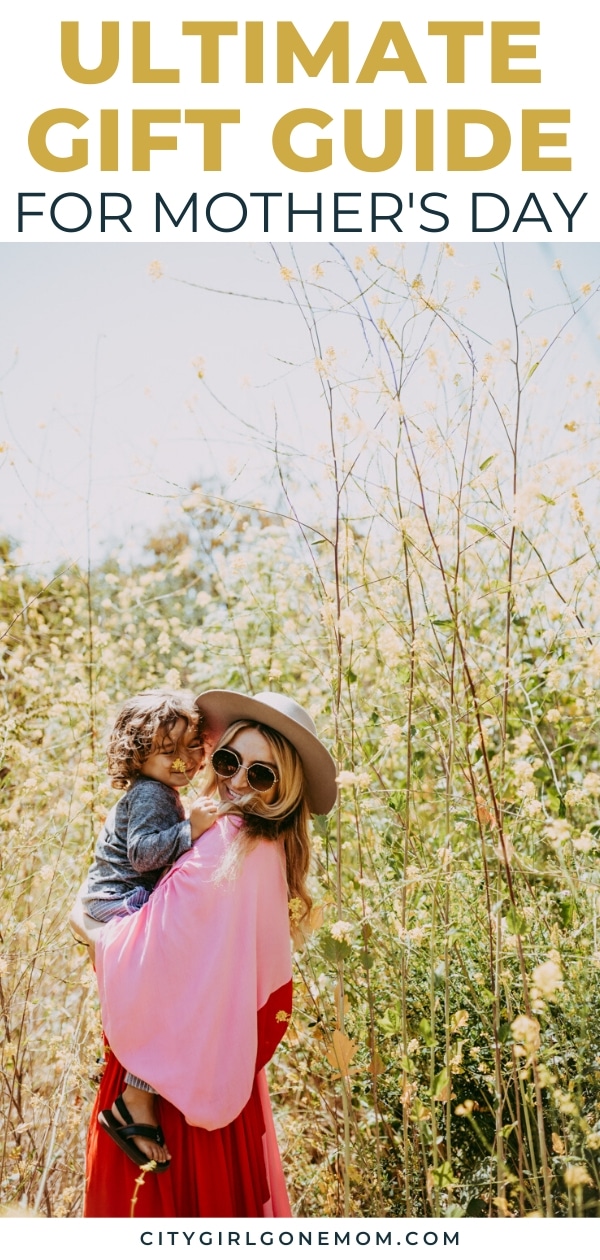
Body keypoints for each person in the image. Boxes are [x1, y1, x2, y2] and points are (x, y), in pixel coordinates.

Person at [74, 690, 337, 1218]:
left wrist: (89, 924)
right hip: (207, 1055)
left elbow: (155, 946)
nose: (238, 782)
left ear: (283, 789)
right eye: (229, 761)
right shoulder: (252, 841)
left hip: (168, 1075)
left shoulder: (229, 840)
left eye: (260, 776)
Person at [83, 689, 218, 1170]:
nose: (183, 761)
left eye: (192, 748)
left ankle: (139, 1093)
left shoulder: (163, 790)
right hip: (116, 904)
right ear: (139, 757)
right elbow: (142, 854)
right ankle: (135, 1098)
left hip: (119, 902)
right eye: (168, 751)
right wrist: (193, 829)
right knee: (174, 980)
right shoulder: (151, 793)